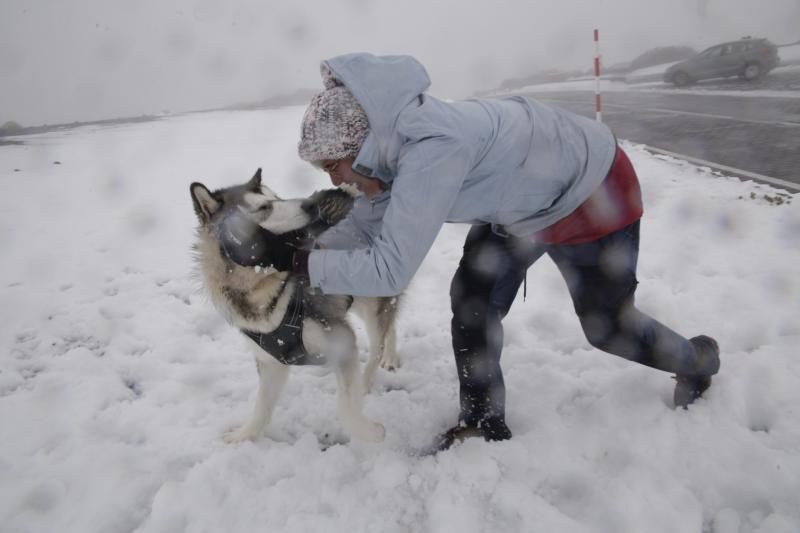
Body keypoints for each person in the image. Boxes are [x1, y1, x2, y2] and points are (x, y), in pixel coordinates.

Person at [219, 53, 720, 450]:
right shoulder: (386, 161)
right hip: (520, 206)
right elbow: (364, 232)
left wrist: (300, 264)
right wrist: (295, 249)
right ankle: (482, 422)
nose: (333, 181)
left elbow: (389, 269)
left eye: (334, 166)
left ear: (361, 143)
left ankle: (697, 361)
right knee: (472, 300)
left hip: (592, 190)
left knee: (606, 325)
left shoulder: (432, 150)